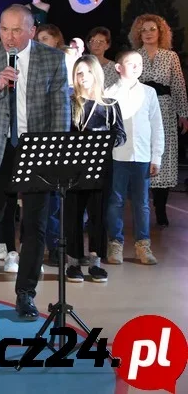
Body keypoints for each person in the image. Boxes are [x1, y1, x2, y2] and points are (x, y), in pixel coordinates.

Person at [0, 4, 70, 319]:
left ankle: (26, 292)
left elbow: (61, 110)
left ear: (32, 31)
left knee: (34, 225)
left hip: (36, 148)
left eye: (16, 30)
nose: (9, 37)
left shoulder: (52, 59)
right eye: (4, 29)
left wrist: (54, 154)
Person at [65, 55, 125, 283]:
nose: (83, 77)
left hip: (101, 167)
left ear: (97, 74)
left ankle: (95, 262)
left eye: (88, 71)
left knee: (98, 215)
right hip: (73, 169)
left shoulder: (110, 105)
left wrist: (105, 141)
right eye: (79, 73)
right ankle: (73, 262)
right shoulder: (70, 103)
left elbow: (120, 134)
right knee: (73, 214)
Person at [105, 51, 164, 265]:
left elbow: (156, 125)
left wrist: (156, 157)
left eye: (139, 63)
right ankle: (115, 243)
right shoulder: (109, 93)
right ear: (118, 67)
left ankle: (143, 245)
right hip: (117, 156)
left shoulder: (149, 92)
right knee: (116, 201)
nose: (137, 67)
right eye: (131, 63)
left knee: (142, 203)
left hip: (142, 157)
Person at [131, 14, 188, 227]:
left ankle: (161, 209)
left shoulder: (170, 56)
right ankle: (142, 208)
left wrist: (183, 114)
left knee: (164, 156)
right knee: (142, 155)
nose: (148, 33)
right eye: (143, 30)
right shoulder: (134, 56)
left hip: (165, 109)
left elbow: (179, 86)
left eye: (152, 29)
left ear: (160, 32)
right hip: (140, 109)